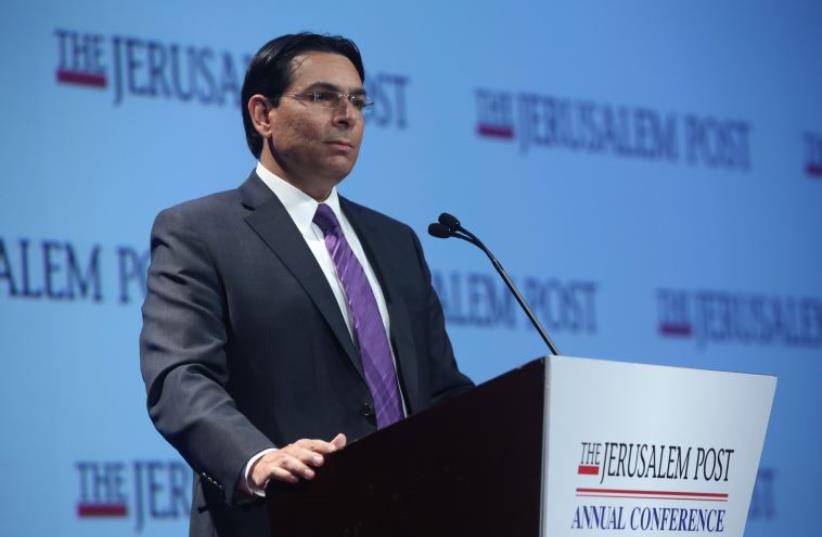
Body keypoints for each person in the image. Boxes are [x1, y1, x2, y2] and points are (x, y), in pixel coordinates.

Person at [139, 32, 473, 536]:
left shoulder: (395, 241)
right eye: (323, 97)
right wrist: (257, 459)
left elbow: (441, 390)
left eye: (358, 101)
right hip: (282, 518)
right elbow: (180, 377)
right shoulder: (200, 231)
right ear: (262, 115)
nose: (348, 115)